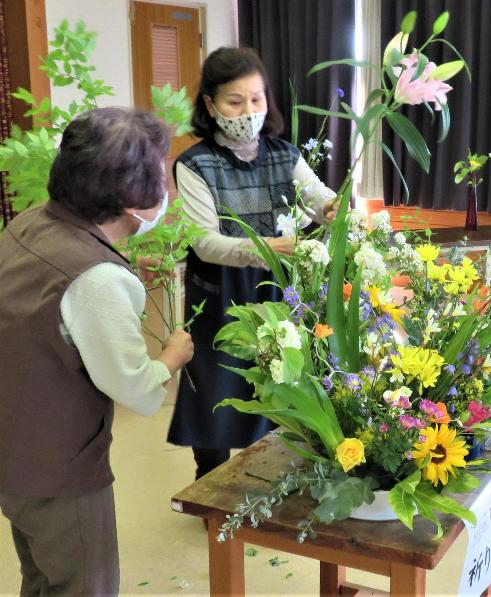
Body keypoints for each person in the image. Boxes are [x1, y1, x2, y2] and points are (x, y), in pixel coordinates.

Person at [0, 107, 194, 595]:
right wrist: (172, 353)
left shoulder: (28, 225)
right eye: (161, 172)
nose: (167, 189)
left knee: (42, 577)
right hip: (58, 470)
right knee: (84, 584)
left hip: (13, 452)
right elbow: (140, 391)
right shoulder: (97, 278)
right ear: (133, 197)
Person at [166, 47, 338, 481]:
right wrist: (268, 247)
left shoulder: (284, 154)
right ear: (210, 105)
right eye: (234, 102)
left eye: (256, 99)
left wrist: (336, 208)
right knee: (217, 389)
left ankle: (280, 474)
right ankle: (210, 484)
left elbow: (319, 199)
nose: (248, 111)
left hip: (276, 290)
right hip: (221, 291)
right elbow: (205, 243)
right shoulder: (195, 164)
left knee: (283, 380)